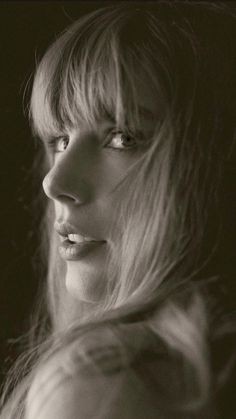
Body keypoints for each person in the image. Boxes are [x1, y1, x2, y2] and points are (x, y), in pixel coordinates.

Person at [1, 1, 236, 418]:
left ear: (215, 165)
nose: (54, 184)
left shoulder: (103, 384)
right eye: (59, 139)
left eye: (122, 137)